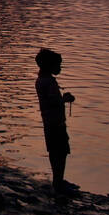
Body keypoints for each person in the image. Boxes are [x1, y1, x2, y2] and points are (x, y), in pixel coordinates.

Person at [34, 48, 77, 195]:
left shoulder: (42, 80)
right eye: (58, 65)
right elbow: (54, 102)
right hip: (55, 124)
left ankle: (58, 180)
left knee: (55, 152)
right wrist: (65, 99)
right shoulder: (47, 82)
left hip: (49, 123)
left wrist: (62, 98)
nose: (60, 68)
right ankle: (58, 183)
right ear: (49, 66)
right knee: (61, 152)